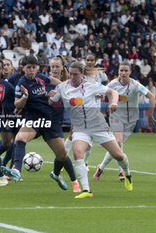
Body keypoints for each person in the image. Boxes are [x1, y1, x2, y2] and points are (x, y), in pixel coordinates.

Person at [50, 61, 133, 198]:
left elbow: (113, 92)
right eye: (70, 74)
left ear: (82, 74)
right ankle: (86, 190)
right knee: (78, 154)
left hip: (98, 125)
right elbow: (50, 101)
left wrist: (113, 102)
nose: (72, 77)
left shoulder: (91, 85)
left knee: (118, 155)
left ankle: (128, 174)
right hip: (79, 128)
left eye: (75, 74)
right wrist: (49, 96)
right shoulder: (62, 87)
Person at [0, 55, 76, 193]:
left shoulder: (41, 78)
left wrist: (64, 88)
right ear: (23, 68)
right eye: (28, 68)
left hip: (50, 120)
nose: (31, 70)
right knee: (19, 138)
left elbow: (52, 80)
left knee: (62, 155)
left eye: (33, 67)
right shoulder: (21, 84)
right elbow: (17, 104)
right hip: (34, 120)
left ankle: (73, 182)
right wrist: (25, 96)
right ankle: (16, 170)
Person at [94, 61, 156, 181]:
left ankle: (100, 167)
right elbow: (103, 93)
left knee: (117, 146)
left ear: (130, 72)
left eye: (126, 70)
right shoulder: (113, 84)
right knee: (118, 142)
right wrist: (99, 96)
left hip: (131, 119)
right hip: (116, 117)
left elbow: (151, 97)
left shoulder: (135, 85)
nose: (123, 73)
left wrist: (150, 115)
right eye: (121, 70)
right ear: (118, 71)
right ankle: (121, 172)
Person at [46, 55, 81, 192]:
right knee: (16, 141)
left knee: (62, 153)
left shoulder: (68, 84)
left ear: (62, 68)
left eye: (56, 66)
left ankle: (66, 179)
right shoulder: (45, 81)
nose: (54, 69)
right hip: (40, 121)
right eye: (52, 66)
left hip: (54, 122)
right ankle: (7, 170)